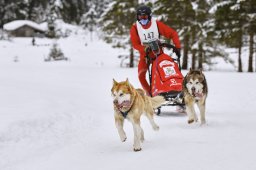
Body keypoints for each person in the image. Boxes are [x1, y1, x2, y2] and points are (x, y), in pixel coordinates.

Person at [130, 5, 181, 96]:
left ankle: (173, 90)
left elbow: (173, 33)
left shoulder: (156, 24)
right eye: (140, 17)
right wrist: (145, 48)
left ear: (149, 16)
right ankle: (150, 95)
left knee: (164, 72)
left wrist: (177, 47)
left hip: (158, 53)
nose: (142, 19)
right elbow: (135, 44)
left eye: (144, 17)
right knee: (141, 75)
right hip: (145, 55)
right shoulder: (135, 28)